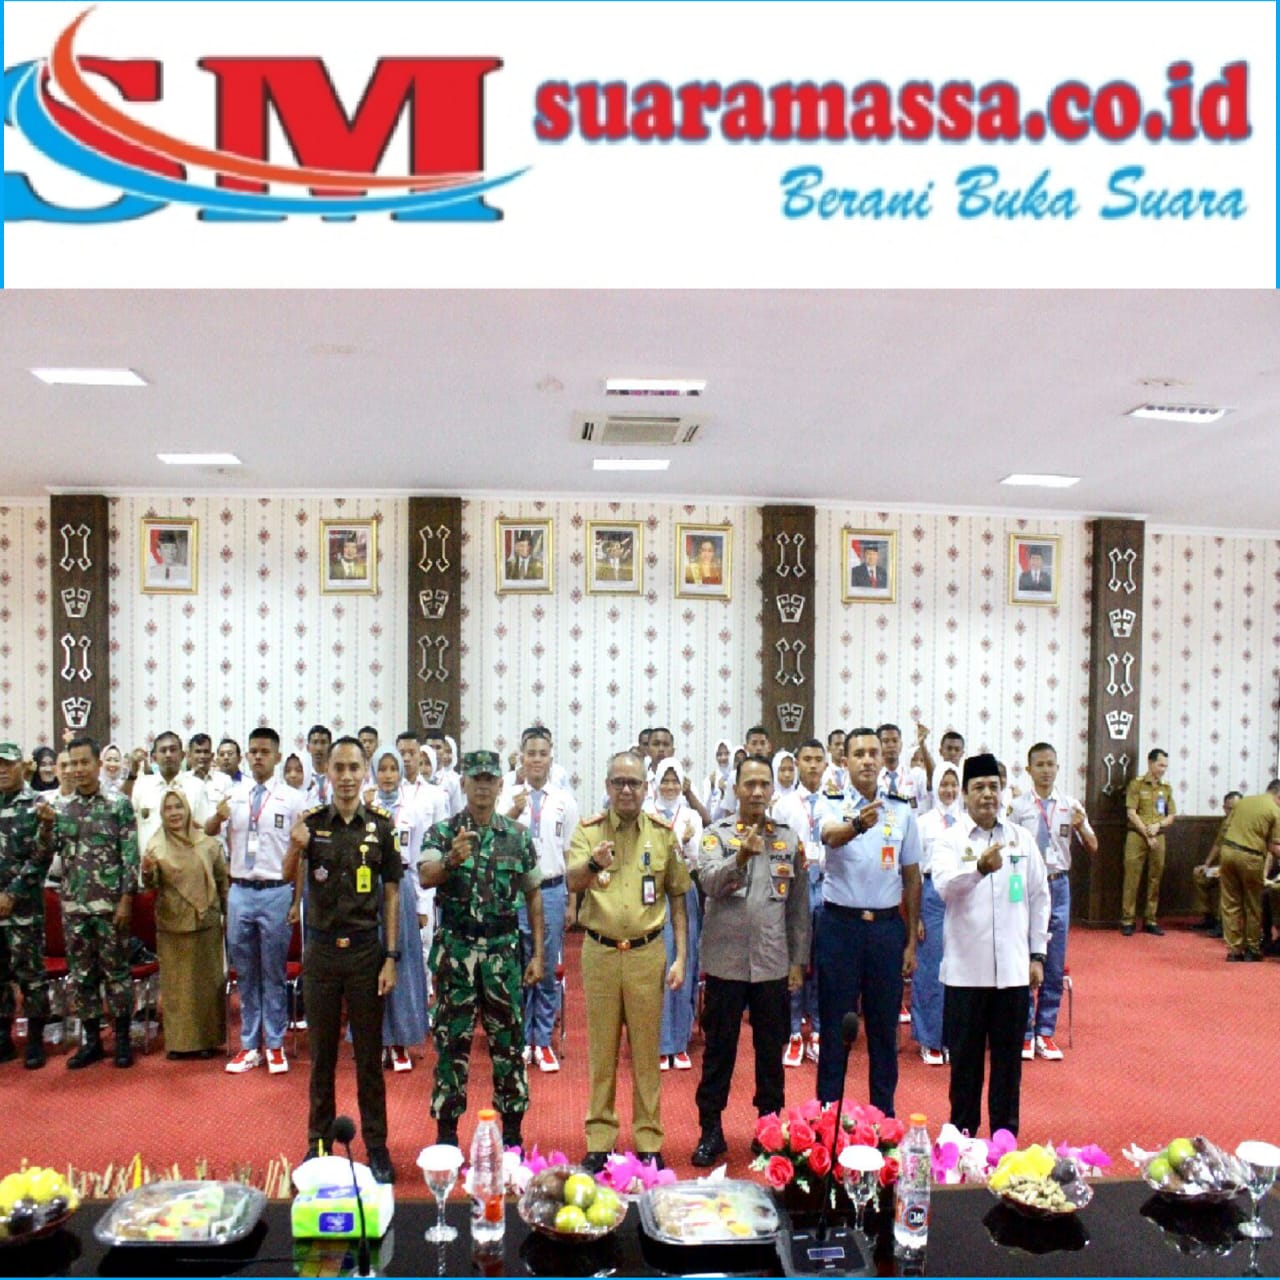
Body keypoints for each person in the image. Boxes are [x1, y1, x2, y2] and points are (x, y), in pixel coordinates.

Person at [568, 751, 690, 1172]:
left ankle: (649, 1139)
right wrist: (593, 863)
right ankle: (599, 1139)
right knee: (601, 1053)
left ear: (645, 788)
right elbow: (572, 881)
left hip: (647, 954)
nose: (626, 790)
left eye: (634, 783)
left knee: (645, 1052)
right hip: (600, 952)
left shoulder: (662, 834)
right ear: (607, 786)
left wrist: (682, 957)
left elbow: (678, 897)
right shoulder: (588, 832)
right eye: (618, 782)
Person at [285, 736, 400, 1184]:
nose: (348, 777)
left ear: (364, 771)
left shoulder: (381, 826)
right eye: (340, 768)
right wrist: (295, 846)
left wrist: (391, 956)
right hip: (322, 952)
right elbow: (287, 876)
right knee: (322, 1057)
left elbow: (391, 893)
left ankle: (377, 1146)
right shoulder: (312, 824)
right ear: (328, 773)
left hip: (366, 951)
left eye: (355, 768)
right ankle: (318, 1144)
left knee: (369, 1057)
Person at [420, 750, 543, 1150]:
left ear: (501, 785)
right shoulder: (443, 832)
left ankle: (512, 1136)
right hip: (456, 951)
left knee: (508, 1044)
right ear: (464, 784)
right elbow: (425, 876)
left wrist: (539, 954)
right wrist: (452, 859)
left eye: (490, 779)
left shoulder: (517, 836)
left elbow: (533, 893)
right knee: (451, 1044)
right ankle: (446, 1139)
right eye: (476, 779)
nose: (483, 786)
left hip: (502, 953)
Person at [691, 755, 808, 1166]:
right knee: (718, 1051)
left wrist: (798, 961)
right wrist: (740, 857)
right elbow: (708, 882)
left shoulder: (788, 840)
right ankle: (711, 1129)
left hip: (772, 961)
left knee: (770, 1053)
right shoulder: (716, 835)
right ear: (736, 789)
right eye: (749, 784)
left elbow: (798, 907)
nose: (757, 792)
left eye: (764, 784)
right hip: (725, 962)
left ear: (772, 790)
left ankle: (769, 1128)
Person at [932, 754, 1049, 1138]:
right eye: (978, 787)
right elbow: (944, 887)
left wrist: (1037, 954)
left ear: (1003, 792)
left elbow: (1040, 897)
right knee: (965, 1067)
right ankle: (963, 1139)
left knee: (1008, 1068)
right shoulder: (950, 840)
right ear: (965, 794)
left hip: (1013, 973)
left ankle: (1004, 1140)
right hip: (966, 975)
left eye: (993, 787)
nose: (987, 794)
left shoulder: (1021, 839)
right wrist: (978, 869)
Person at [816, 727, 921, 1116]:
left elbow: (912, 876)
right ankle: (827, 1117)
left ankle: (883, 1118)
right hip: (839, 928)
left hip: (885, 931)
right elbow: (830, 836)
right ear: (845, 762)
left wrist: (910, 941)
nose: (867, 760)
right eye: (859, 754)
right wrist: (858, 824)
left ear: (883, 760)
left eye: (873, 753)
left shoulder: (901, 808)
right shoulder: (830, 801)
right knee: (835, 1027)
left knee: (883, 1028)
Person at [207, 727, 305, 1076]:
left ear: (277, 757)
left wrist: (296, 901)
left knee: (274, 972)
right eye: (253, 751)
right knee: (246, 972)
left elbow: (301, 854)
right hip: (241, 891)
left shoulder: (293, 799)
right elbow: (208, 831)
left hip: (277, 891)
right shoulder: (234, 795)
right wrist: (217, 816)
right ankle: (250, 1045)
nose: (258, 756)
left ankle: (275, 1044)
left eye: (265, 751)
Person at [37, 736, 139, 1069]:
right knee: (82, 977)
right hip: (74, 907)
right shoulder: (62, 809)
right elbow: (46, 854)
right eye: (72, 763)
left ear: (98, 764)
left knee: (117, 974)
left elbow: (130, 857)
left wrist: (126, 899)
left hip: (110, 907)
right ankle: (92, 1041)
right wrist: (46, 827)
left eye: (84, 762)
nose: (78, 769)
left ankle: (122, 1040)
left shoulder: (118, 804)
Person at [1010, 743, 1096, 1061]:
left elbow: (1093, 845)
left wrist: (1080, 825)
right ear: (1029, 769)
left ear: (1058, 768)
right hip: (1026, 886)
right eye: (1040, 765)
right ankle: (1023, 1033)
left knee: (1055, 960)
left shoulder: (1070, 805)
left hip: (1058, 885)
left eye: (1051, 764)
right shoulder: (1018, 807)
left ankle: (1045, 1032)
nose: (1046, 770)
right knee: (1023, 956)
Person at [500, 729, 577, 1074]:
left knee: (544, 964)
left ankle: (542, 1040)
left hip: (551, 889)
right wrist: (512, 812)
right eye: (530, 753)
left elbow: (570, 853)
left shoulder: (563, 800)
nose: (536, 759)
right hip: (515, 890)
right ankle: (520, 1039)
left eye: (542, 753)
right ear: (521, 756)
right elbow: (494, 840)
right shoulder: (507, 796)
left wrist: (572, 902)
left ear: (550, 757)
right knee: (517, 964)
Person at [142, 789, 229, 1059]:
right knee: (177, 988)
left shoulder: (207, 843)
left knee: (206, 985)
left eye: (178, 807)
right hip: (173, 925)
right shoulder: (156, 846)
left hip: (207, 923)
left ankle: (207, 1041)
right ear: (162, 813)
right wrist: (147, 870)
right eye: (168, 808)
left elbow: (222, 881)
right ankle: (179, 1044)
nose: (174, 813)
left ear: (188, 810)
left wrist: (228, 915)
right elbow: (151, 884)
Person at [366, 751, 432, 1072]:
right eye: (382, 769)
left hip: (402, 886)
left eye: (394, 769)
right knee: (372, 960)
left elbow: (420, 860)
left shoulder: (413, 810)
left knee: (400, 962)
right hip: (369, 889)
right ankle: (377, 1039)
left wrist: (422, 904)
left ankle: (400, 1041)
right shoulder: (365, 808)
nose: (388, 775)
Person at [646, 760, 702, 1073]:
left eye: (674, 781)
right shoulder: (646, 813)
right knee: (656, 963)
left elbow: (697, 859)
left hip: (684, 891)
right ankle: (658, 1042)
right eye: (665, 781)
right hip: (652, 895)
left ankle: (680, 1042)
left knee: (684, 961)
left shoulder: (692, 816)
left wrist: (688, 841)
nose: (669, 787)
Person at [0, 742, 52, 1068]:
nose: (2, 771)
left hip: (24, 910)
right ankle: (3, 1036)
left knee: (30, 975)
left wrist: (12, 894)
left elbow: (41, 857)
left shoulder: (37, 805)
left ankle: (34, 1039)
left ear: (22, 766)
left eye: (7, 764)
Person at [779, 739, 827, 1069]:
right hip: (795, 889)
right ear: (797, 763)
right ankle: (795, 1030)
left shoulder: (834, 803)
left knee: (823, 964)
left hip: (827, 888)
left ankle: (819, 1030)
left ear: (825, 765)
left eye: (817, 759)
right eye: (806, 759)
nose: (812, 765)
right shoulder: (784, 805)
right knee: (795, 960)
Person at [912, 762, 963, 1067]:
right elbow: (914, 873)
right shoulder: (924, 823)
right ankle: (929, 1039)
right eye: (943, 784)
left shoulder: (967, 822)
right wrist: (916, 915)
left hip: (961, 895)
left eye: (954, 784)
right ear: (934, 786)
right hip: (931, 895)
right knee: (931, 969)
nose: (949, 790)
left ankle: (953, 1037)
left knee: (961, 970)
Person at [1217, 780, 1280, 963]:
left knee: (1230, 902)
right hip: (1251, 856)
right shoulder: (1275, 810)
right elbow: (1275, 846)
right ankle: (1252, 949)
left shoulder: (1243, 802)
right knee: (1253, 903)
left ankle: (1234, 950)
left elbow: (1225, 829)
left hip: (1227, 852)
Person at [125, 732, 212, 859]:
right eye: (163, 750)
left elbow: (204, 829)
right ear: (154, 757)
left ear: (182, 755)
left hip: (186, 864)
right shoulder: (141, 786)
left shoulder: (196, 787)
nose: (168, 755)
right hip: (149, 865)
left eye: (173, 750)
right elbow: (128, 823)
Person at [1122, 748, 1177, 936]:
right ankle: (1128, 919)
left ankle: (1150, 919)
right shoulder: (1137, 784)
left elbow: (1171, 815)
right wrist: (1147, 834)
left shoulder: (1166, 788)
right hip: (1137, 835)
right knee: (1132, 877)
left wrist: (1158, 825)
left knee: (1155, 878)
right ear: (1150, 763)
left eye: (1165, 766)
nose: (1163, 769)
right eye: (1160, 765)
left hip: (1158, 835)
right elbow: (1131, 812)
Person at [1193, 791, 1240, 936]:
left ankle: (1222, 923)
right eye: (1229, 808)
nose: (1231, 812)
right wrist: (1206, 864)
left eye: (1235, 808)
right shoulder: (1225, 822)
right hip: (1222, 866)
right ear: (1224, 808)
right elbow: (1218, 844)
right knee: (1199, 875)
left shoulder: (1245, 823)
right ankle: (1208, 916)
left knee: (1225, 881)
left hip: (1237, 868)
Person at [878, 722, 934, 813]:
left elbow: (933, 780)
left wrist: (922, 745)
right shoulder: (875, 779)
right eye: (886, 741)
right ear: (878, 745)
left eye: (895, 741)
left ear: (901, 745)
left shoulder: (914, 774)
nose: (891, 745)